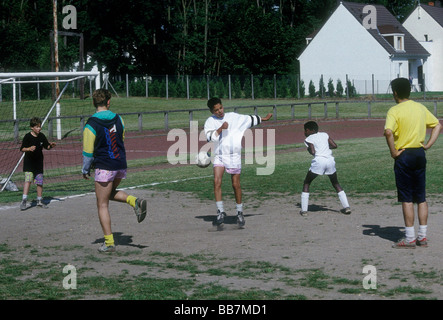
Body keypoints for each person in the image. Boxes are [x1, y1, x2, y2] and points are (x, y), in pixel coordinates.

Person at [82, 89, 148, 253]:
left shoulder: (91, 124)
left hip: (104, 165)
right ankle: (134, 201)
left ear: (93, 103)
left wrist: (85, 169)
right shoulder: (119, 119)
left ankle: (109, 242)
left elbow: (88, 152)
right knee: (109, 194)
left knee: (102, 204)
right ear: (109, 102)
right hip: (120, 163)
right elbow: (121, 139)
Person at [384, 77, 441, 249]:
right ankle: (422, 237)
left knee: (407, 198)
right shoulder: (420, 107)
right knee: (421, 197)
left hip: (404, 155)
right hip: (419, 153)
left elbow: (388, 132)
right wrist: (428, 144)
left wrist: (393, 152)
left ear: (395, 93)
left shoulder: (394, 110)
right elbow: (438, 125)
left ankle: (409, 238)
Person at [204, 97, 272, 228]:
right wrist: (221, 128)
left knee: (236, 185)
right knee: (216, 182)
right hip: (219, 155)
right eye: (216, 110)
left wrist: (264, 118)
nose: (220, 111)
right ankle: (220, 212)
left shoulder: (233, 117)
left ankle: (239, 213)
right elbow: (209, 138)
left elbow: (249, 119)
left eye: (221, 108)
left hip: (234, 156)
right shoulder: (210, 122)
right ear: (212, 111)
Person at [300, 121, 351, 216]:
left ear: (308, 130)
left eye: (305, 130)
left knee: (307, 182)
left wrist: (309, 150)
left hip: (319, 161)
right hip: (330, 160)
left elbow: (313, 152)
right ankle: (346, 207)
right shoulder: (324, 134)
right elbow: (334, 145)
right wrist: (325, 148)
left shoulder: (308, 138)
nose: (304, 132)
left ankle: (304, 210)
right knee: (335, 183)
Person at [20, 117, 56, 210]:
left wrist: (50, 146)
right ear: (31, 127)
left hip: (38, 163)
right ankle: (24, 200)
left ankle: (39, 201)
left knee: (39, 182)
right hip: (29, 164)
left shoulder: (42, 136)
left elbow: (46, 146)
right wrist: (28, 148)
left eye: (40, 127)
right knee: (28, 180)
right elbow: (22, 148)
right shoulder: (27, 136)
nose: (39, 128)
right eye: (37, 127)